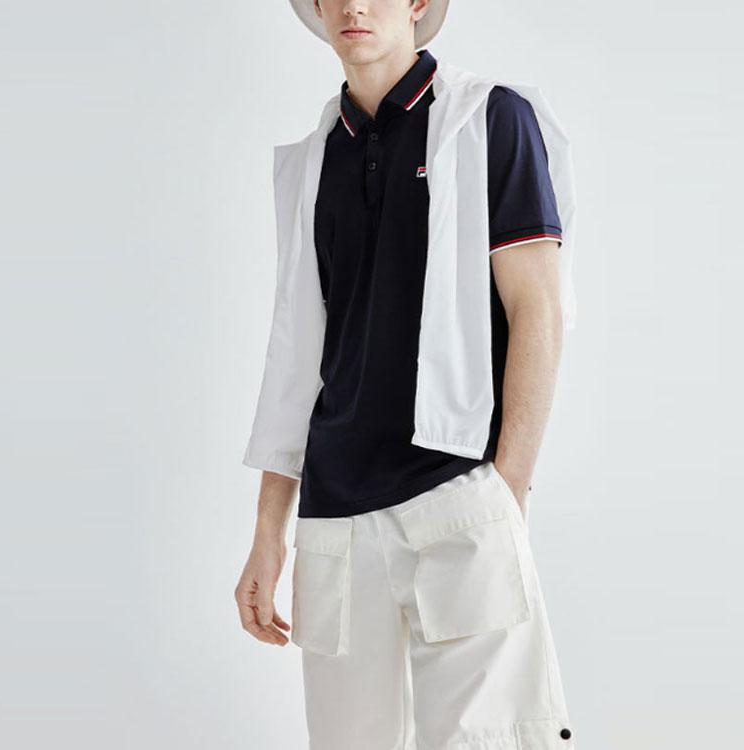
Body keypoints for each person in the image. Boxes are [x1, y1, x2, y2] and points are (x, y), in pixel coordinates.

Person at [236, 2, 578, 747]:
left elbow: (539, 311)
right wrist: (268, 534)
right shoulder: (313, 159)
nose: (354, 6)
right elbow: (296, 355)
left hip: (457, 496)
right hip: (334, 521)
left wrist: (505, 492)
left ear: (419, 3)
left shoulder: (490, 118)